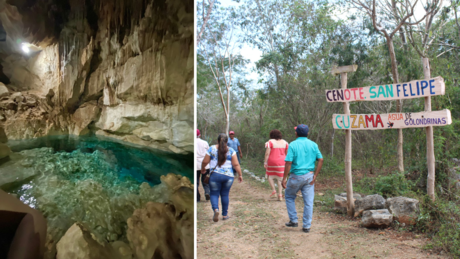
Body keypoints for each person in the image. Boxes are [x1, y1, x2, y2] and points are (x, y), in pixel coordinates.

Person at [282, 124, 323, 233]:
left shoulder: (292, 145)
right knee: (308, 202)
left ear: (296, 133)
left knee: (289, 196)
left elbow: (288, 162)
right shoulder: (313, 144)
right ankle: (306, 226)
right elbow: (321, 159)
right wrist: (315, 175)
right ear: (308, 133)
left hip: (296, 176)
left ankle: (294, 220)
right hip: (309, 176)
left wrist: (284, 178)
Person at [201, 133, 243, 222]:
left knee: (214, 194)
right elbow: (236, 164)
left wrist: (203, 168)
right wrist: (240, 175)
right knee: (225, 194)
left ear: (217, 140)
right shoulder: (231, 151)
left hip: (215, 176)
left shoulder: (211, 149)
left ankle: (216, 210)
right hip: (228, 177)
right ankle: (225, 215)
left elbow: (205, 161)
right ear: (227, 141)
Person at [264, 129, 289, 201]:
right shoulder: (285, 142)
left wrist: (265, 162)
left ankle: (274, 191)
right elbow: (287, 154)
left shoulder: (270, 142)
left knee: (270, 176)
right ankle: (280, 195)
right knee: (280, 179)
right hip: (282, 162)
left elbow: (267, 153)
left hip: (272, 162)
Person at [196, 129, 210, 202]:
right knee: (205, 180)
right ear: (200, 135)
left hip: (196, 165)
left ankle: (197, 198)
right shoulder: (205, 143)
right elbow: (209, 153)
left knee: (195, 182)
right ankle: (207, 192)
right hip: (205, 164)